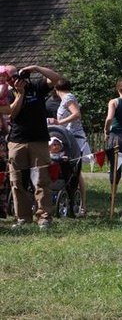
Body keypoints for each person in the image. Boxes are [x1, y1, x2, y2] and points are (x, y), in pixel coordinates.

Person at [2, 64, 61, 229]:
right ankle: (23, 218)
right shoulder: (7, 92)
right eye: (10, 78)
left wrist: (36, 68)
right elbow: (12, 114)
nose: (13, 80)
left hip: (39, 140)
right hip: (17, 140)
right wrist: (20, 94)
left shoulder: (36, 87)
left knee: (41, 179)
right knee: (17, 181)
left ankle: (44, 218)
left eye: (15, 77)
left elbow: (56, 79)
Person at [51, 79, 91, 216]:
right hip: (68, 138)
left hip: (75, 139)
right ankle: (75, 202)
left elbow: (76, 114)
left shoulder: (68, 97)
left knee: (76, 173)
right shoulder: (65, 99)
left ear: (56, 89)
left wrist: (59, 122)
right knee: (73, 172)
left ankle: (83, 205)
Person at [0, 65, 10, 135]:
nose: (1, 78)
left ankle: (7, 131)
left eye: (4, 76)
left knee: (2, 118)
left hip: (2, 103)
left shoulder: (3, 85)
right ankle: (7, 132)